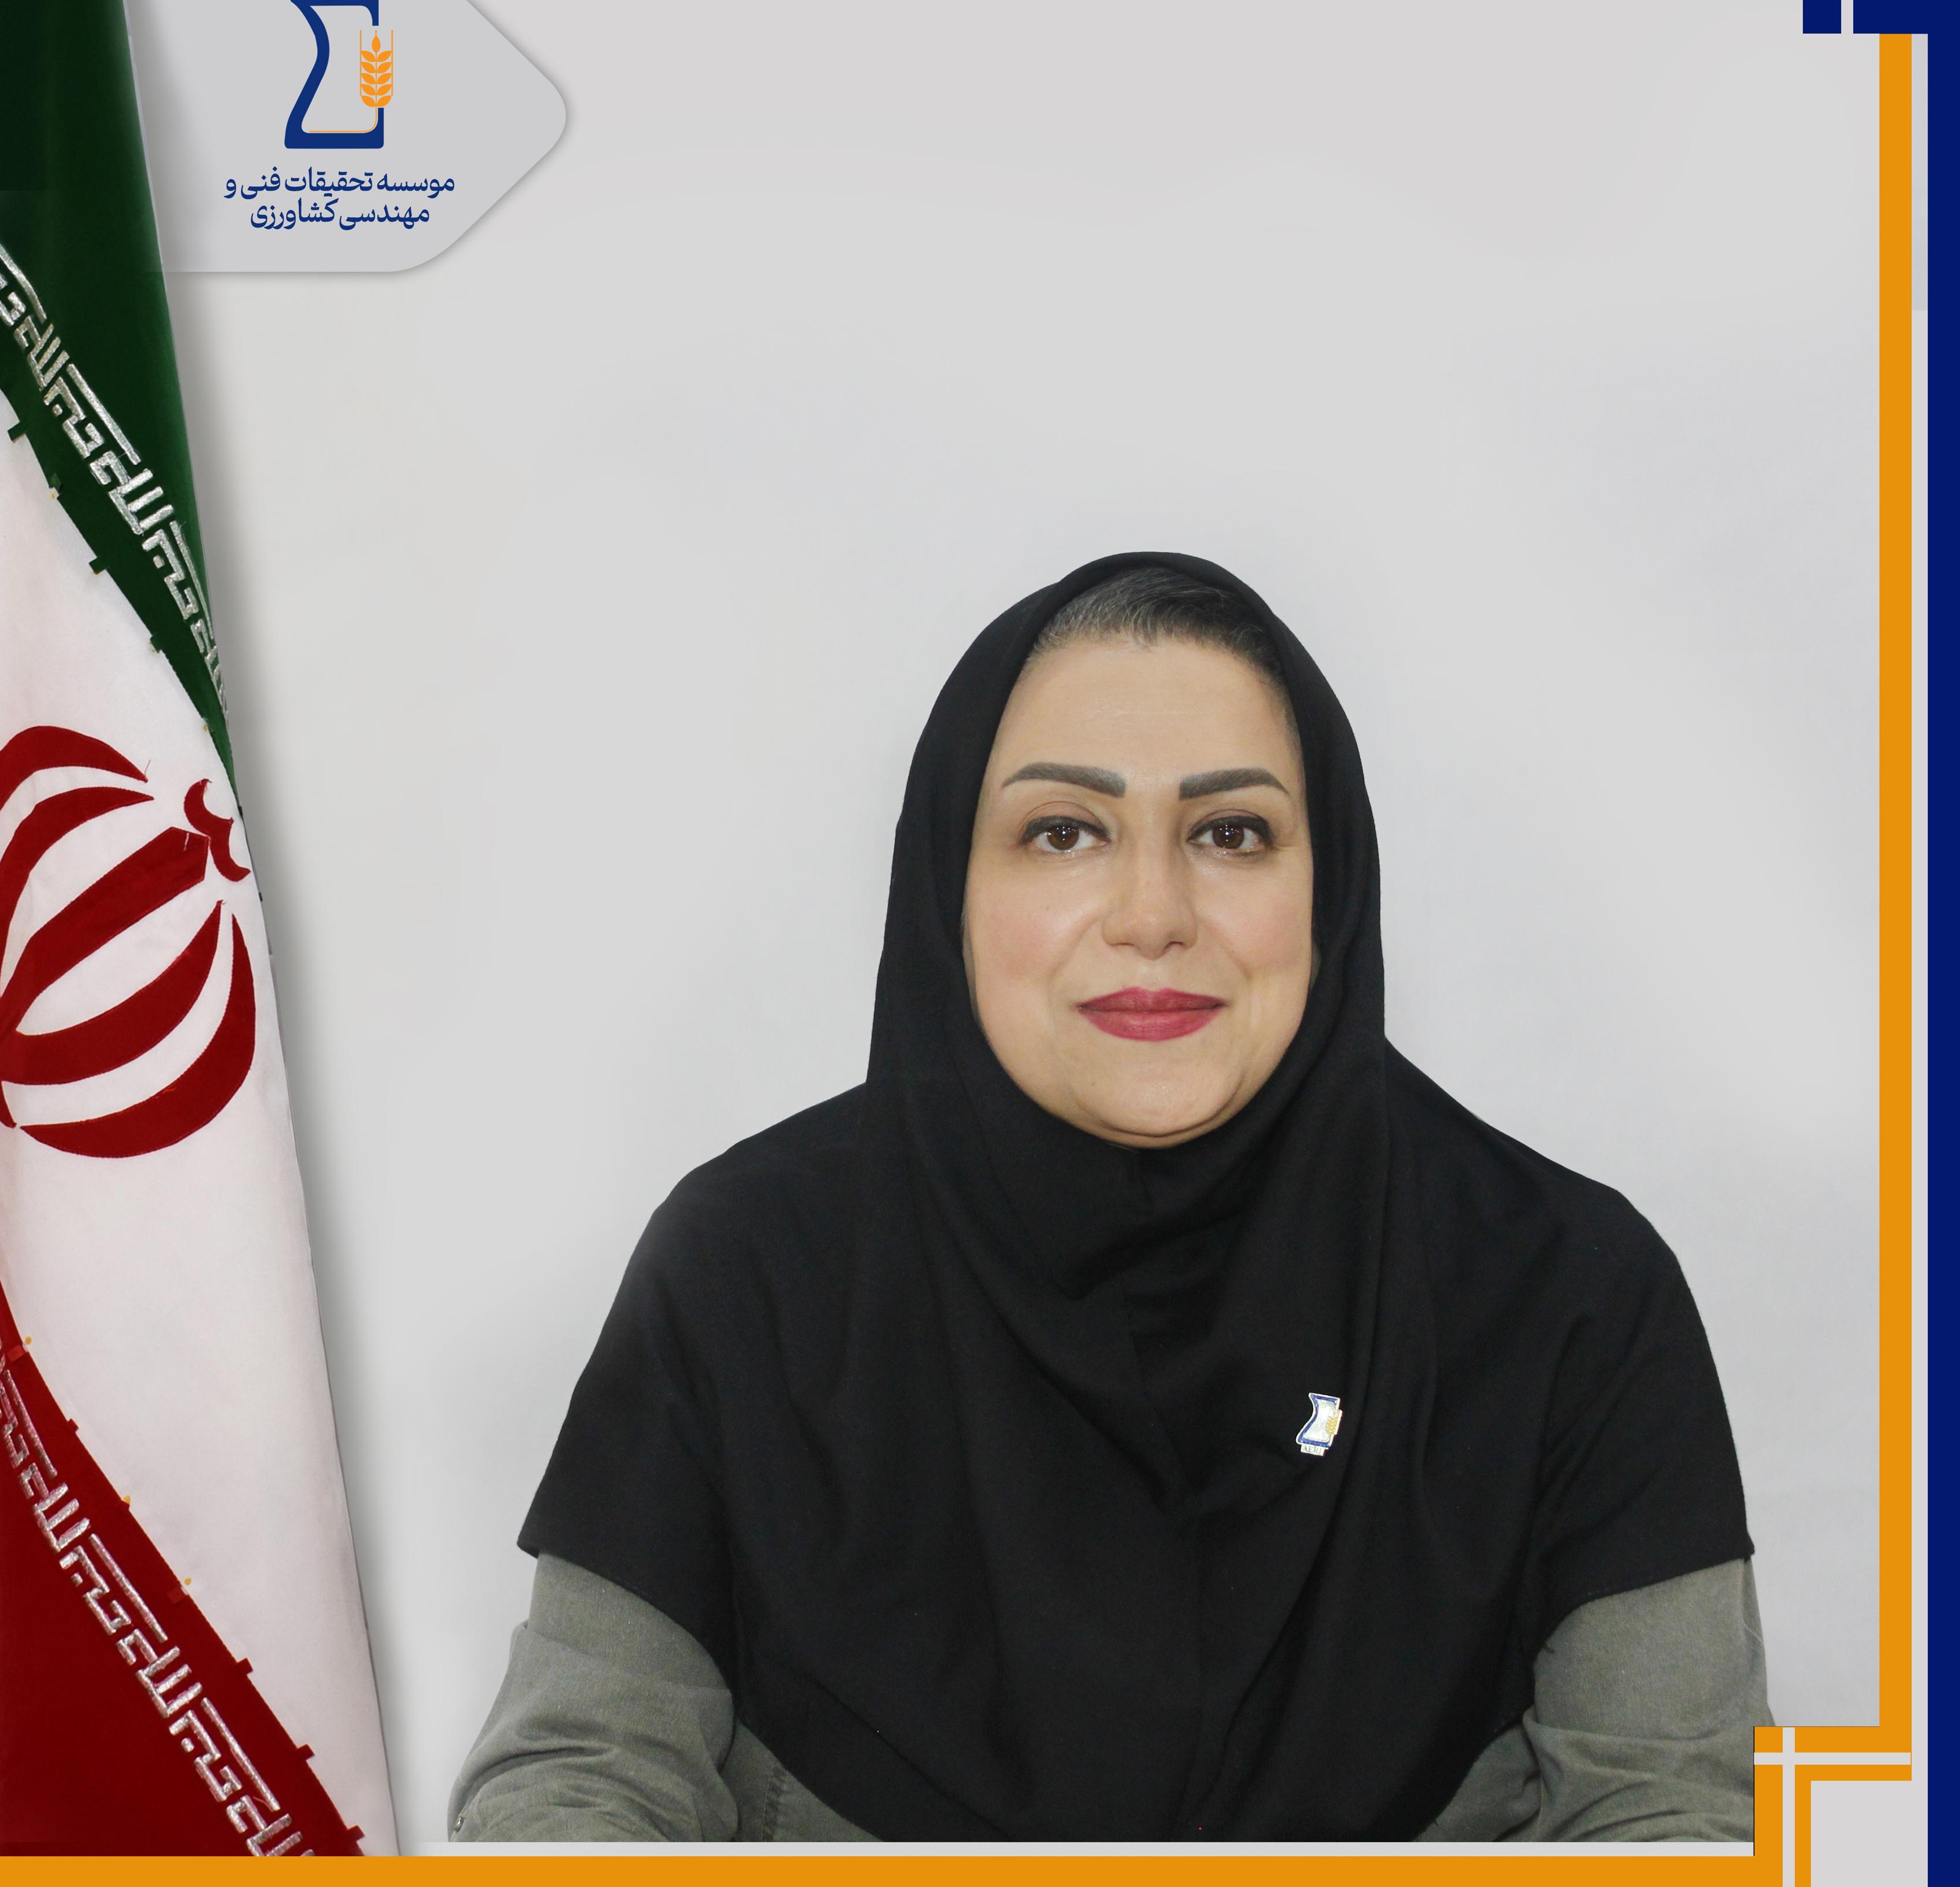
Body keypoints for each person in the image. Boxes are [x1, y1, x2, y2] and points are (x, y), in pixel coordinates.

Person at [452, 556, 1768, 1843]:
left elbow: (1672, 1816)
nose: (1152, 913)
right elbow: (576, 1780)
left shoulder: (1565, 1291)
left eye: (1231, 833)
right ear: (951, 887)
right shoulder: (749, 1267)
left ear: (1331, 885)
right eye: (1064, 832)